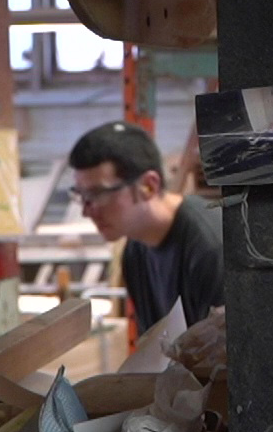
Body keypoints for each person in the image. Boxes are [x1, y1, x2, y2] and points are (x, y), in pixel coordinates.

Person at [70, 122, 224, 332]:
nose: (87, 211)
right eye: (82, 196)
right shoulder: (135, 251)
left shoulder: (211, 248)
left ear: (149, 186)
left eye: (98, 194)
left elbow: (229, 356)